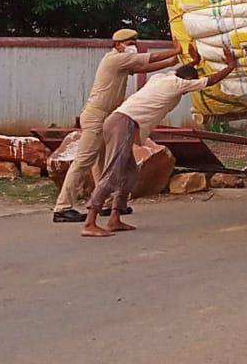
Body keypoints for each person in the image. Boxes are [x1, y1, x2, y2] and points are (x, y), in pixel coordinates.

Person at [81, 44, 237, 237]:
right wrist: (230, 66)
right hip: (125, 122)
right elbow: (209, 81)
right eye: (190, 85)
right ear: (188, 80)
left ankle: (115, 218)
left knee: (129, 171)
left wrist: (195, 61)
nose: (187, 91)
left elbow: (183, 71)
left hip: (118, 120)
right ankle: (90, 222)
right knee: (114, 170)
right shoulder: (178, 84)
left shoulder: (163, 78)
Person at [52, 29, 181, 224]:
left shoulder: (122, 62)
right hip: (97, 116)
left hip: (105, 117)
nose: (133, 45)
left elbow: (143, 68)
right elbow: (149, 58)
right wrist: (175, 50)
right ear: (118, 44)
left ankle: (103, 203)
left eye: (135, 42)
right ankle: (62, 208)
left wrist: (172, 62)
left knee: (103, 163)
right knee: (83, 162)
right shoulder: (114, 59)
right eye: (130, 42)